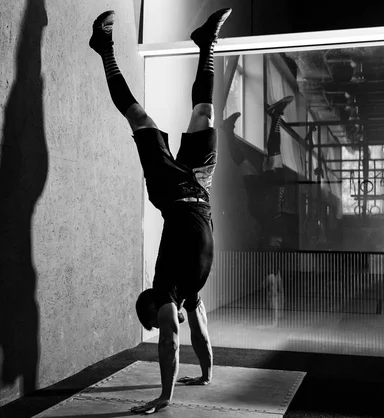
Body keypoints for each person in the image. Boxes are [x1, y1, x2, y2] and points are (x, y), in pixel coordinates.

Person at [89, 7, 232, 414]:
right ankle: (206, 43)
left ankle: (104, 50)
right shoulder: (190, 295)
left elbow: (170, 340)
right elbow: (200, 334)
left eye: (154, 322)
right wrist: (206, 374)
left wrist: (165, 396)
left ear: (153, 306)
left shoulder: (166, 287)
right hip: (200, 187)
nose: (163, 327)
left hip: (171, 192)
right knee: (203, 113)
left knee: (140, 118)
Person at [221, 95, 294, 327]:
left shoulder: (272, 250)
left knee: (274, 161)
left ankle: (275, 116)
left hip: (269, 207)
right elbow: (276, 287)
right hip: (260, 208)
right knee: (246, 166)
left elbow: (273, 287)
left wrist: (273, 322)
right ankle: (227, 131)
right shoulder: (274, 254)